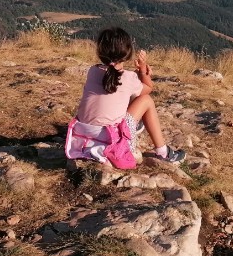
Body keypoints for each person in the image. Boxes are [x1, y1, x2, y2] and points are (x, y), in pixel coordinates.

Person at [70, 27, 186, 164]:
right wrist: (143, 71)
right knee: (146, 100)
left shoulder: (93, 71)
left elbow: (117, 85)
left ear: (100, 52)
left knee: (123, 98)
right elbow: (148, 88)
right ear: (128, 53)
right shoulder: (129, 78)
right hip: (113, 144)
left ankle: (133, 127)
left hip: (82, 139)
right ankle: (163, 152)